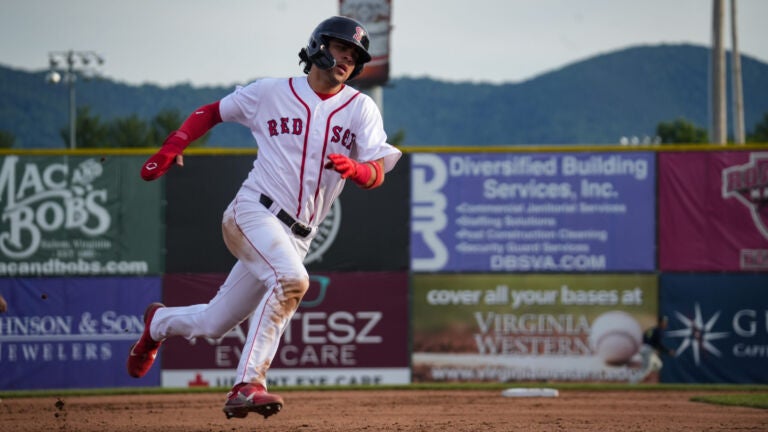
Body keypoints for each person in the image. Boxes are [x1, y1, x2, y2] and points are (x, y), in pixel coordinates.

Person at [126, 16, 401, 420]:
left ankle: (158, 324)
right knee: (292, 280)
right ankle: (248, 384)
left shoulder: (360, 109)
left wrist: (359, 171)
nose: (346, 59)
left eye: (353, 56)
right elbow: (211, 112)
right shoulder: (271, 92)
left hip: (298, 236)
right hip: (253, 211)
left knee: (213, 322)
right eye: (340, 49)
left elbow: (377, 169)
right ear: (319, 47)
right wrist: (176, 142)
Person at [631, 316, 676, 384]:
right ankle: (632, 383)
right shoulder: (659, 331)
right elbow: (658, 344)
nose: (665, 323)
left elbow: (643, 336)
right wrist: (668, 351)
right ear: (661, 322)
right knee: (645, 369)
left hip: (644, 348)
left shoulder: (652, 329)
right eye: (664, 322)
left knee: (658, 365)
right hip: (648, 350)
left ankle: (637, 372)